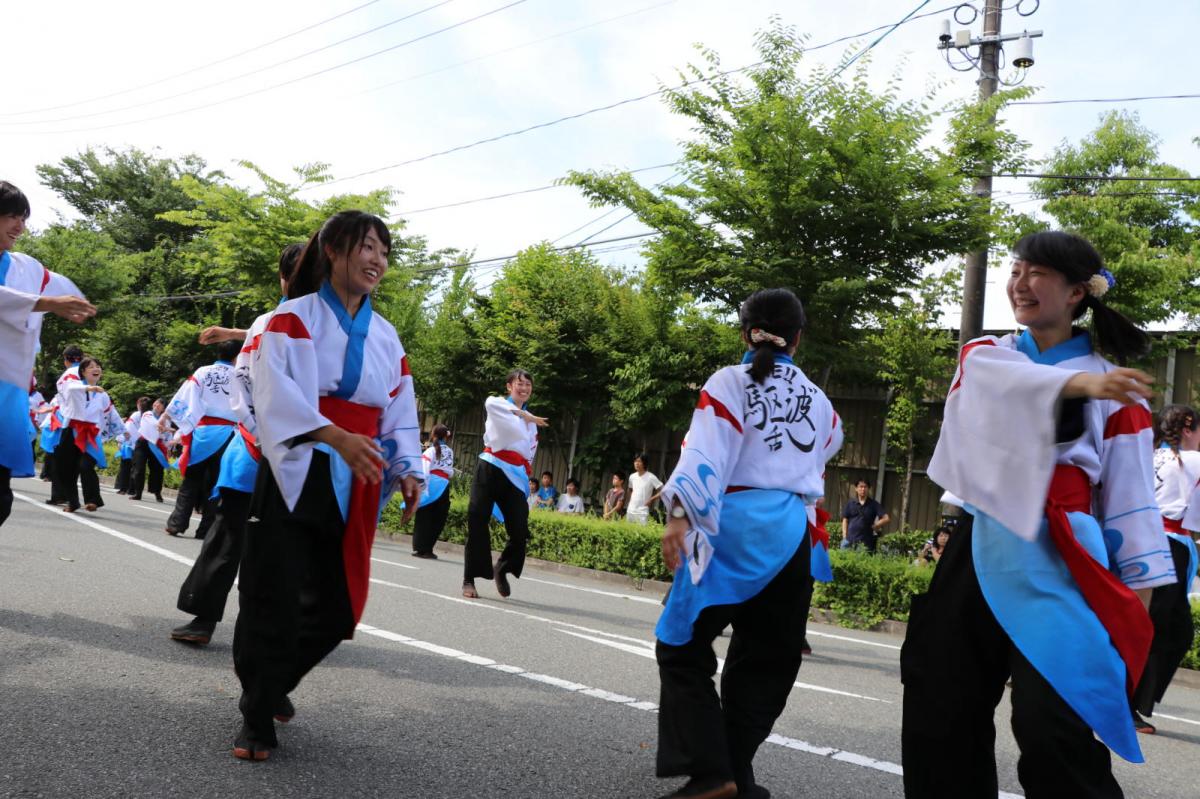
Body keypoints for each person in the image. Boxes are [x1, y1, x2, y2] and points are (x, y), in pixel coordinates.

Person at [901, 231, 1176, 798]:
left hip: (1065, 556)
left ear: (1077, 292)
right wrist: (1079, 383)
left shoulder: (1117, 391)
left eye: (1037, 274)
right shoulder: (987, 355)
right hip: (980, 544)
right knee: (941, 703)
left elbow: (1131, 502)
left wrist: (1134, 611)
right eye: (1015, 270)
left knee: (1054, 724)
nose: (1019, 284)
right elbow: (989, 386)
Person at [232, 211, 422, 761]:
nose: (377, 260)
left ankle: (271, 684)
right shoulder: (292, 318)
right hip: (298, 463)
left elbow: (400, 412)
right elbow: (272, 396)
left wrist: (410, 467)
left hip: (356, 475)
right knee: (275, 594)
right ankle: (256, 716)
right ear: (333, 250)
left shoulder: (388, 336)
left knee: (338, 608)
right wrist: (333, 435)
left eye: (384, 251)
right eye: (367, 247)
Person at [654, 288, 843, 799]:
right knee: (766, 661)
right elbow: (828, 446)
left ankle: (714, 772)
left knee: (681, 645)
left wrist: (677, 514)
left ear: (745, 333)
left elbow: (703, 453)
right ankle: (736, 770)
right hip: (793, 534)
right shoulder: (821, 403)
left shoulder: (728, 382)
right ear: (797, 340)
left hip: (730, 528)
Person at [171, 243, 301, 646]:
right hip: (255, 446)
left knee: (287, 550)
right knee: (228, 536)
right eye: (299, 272)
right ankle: (204, 619)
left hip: (301, 454)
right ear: (284, 278)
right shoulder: (270, 321)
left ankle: (277, 631)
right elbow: (267, 343)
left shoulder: (341, 324)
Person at [1131, 404, 1200, 733]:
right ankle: (1125, 701)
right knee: (1160, 626)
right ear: (1188, 428)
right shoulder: (1190, 460)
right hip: (1167, 544)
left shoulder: (1154, 454)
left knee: (1166, 626)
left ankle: (1132, 699)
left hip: (1148, 538)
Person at [462, 369, 548, 599]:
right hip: (490, 466)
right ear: (509, 386)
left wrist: (529, 419)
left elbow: (529, 452)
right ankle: (469, 579)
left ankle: (502, 567)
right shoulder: (499, 405)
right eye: (519, 384)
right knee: (477, 517)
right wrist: (525, 416)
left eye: (528, 385)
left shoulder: (532, 423)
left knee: (520, 530)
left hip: (515, 474)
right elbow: (489, 403)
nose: (524, 388)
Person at [160, 339, 242, 538]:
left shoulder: (202, 372)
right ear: (236, 356)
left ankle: (176, 523)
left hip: (202, 431)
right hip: (228, 435)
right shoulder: (242, 375)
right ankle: (206, 529)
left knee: (191, 480)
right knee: (216, 483)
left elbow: (185, 396)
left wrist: (166, 415)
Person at [53, 357, 123, 513]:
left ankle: (93, 500)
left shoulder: (103, 395)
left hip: (90, 434)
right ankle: (72, 501)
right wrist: (89, 388)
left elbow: (111, 414)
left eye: (98, 366)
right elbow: (70, 388)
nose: (96, 368)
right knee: (66, 468)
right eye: (91, 366)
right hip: (71, 431)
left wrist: (123, 431)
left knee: (86, 466)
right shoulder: (74, 386)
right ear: (83, 372)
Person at [412, 424, 454, 558]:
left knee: (424, 516)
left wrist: (422, 487)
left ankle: (420, 548)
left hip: (430, 483)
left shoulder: (429, 451)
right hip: (444, 485)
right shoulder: (450, 451)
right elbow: (450, 472)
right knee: (438, 518)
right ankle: (429, 549)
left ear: (433, 435)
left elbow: (424, 470)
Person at [128, 397, 169, 502]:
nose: (156, 405)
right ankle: (138, 493)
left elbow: (166, 434)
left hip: (156, 445)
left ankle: (157, 492)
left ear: (163, 409)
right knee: (139, 468)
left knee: (158, 470)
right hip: (143, 443)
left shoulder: (166, 420)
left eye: (160, 404)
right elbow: (154, 424)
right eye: (155, 403)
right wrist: (161, 426)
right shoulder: (147, 414)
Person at [840, 479, 889, 551]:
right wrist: (844, 536)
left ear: (868, 489)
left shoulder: (874, 504)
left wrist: (876, 525)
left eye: (865, 487)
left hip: (864, 543)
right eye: (860, 486)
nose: (863, 489)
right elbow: (845, 520)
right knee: (843, 561)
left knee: (861, 562)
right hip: (848, 541)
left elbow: (886, 518)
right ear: (856, 489)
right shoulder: (851, 503)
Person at [627, 454, 663, 525]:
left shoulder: (651, 477)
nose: (636, 463)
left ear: (644, 463)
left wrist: (651, 499)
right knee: (628, 532)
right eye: (635, 461)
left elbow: (663, 490)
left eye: (639, 461)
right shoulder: (632, 476)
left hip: (642, 512)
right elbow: (630, 489)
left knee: (640, 533)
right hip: (630, 510)